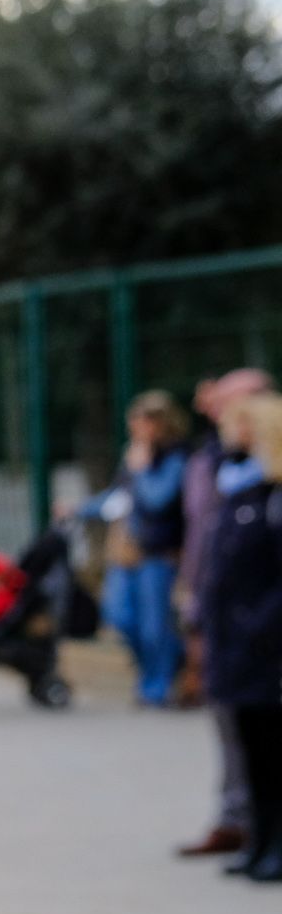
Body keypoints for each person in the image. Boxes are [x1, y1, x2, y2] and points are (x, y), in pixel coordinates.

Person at [176, 368, 276, 858]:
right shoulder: (214, 464)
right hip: (222, 616)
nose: (221, 411)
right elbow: (202, 539)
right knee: (233, 723)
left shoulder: (267, 479)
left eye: (237, 405)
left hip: (259, 624)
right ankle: (243, 823)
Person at [196, 391, 282, 881]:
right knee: (249, 749)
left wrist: (259, 626)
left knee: (274, 749)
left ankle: (277, 846)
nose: (231, 433)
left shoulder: (273, 498)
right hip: (233, 645)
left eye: (242, 425)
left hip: (265, 647)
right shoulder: (237, 491)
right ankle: (259, 839)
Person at [75, 391, 190, 706]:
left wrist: (142, 469)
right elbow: (118, 497)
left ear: (161, 424)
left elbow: (158, 500)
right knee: (119, 616)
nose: (137, 430)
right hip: (124, 550)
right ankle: (157, 670)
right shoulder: (135, 455)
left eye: (143, 424)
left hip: (158, 552)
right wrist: (80, 509)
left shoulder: (175, 458)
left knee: (156, 626)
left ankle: (158, 686)